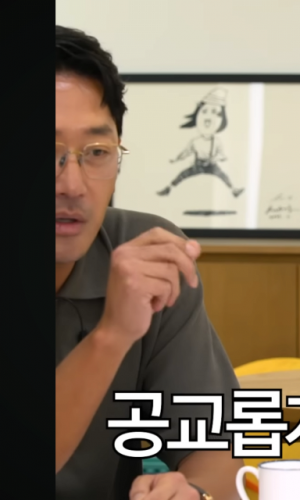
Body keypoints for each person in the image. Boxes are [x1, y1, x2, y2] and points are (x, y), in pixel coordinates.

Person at [56, 25, 242, 500]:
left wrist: (193, 491)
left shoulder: (143, 255)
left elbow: (217, 442)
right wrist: (112, 335)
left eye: (97, 153)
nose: (73, 185)